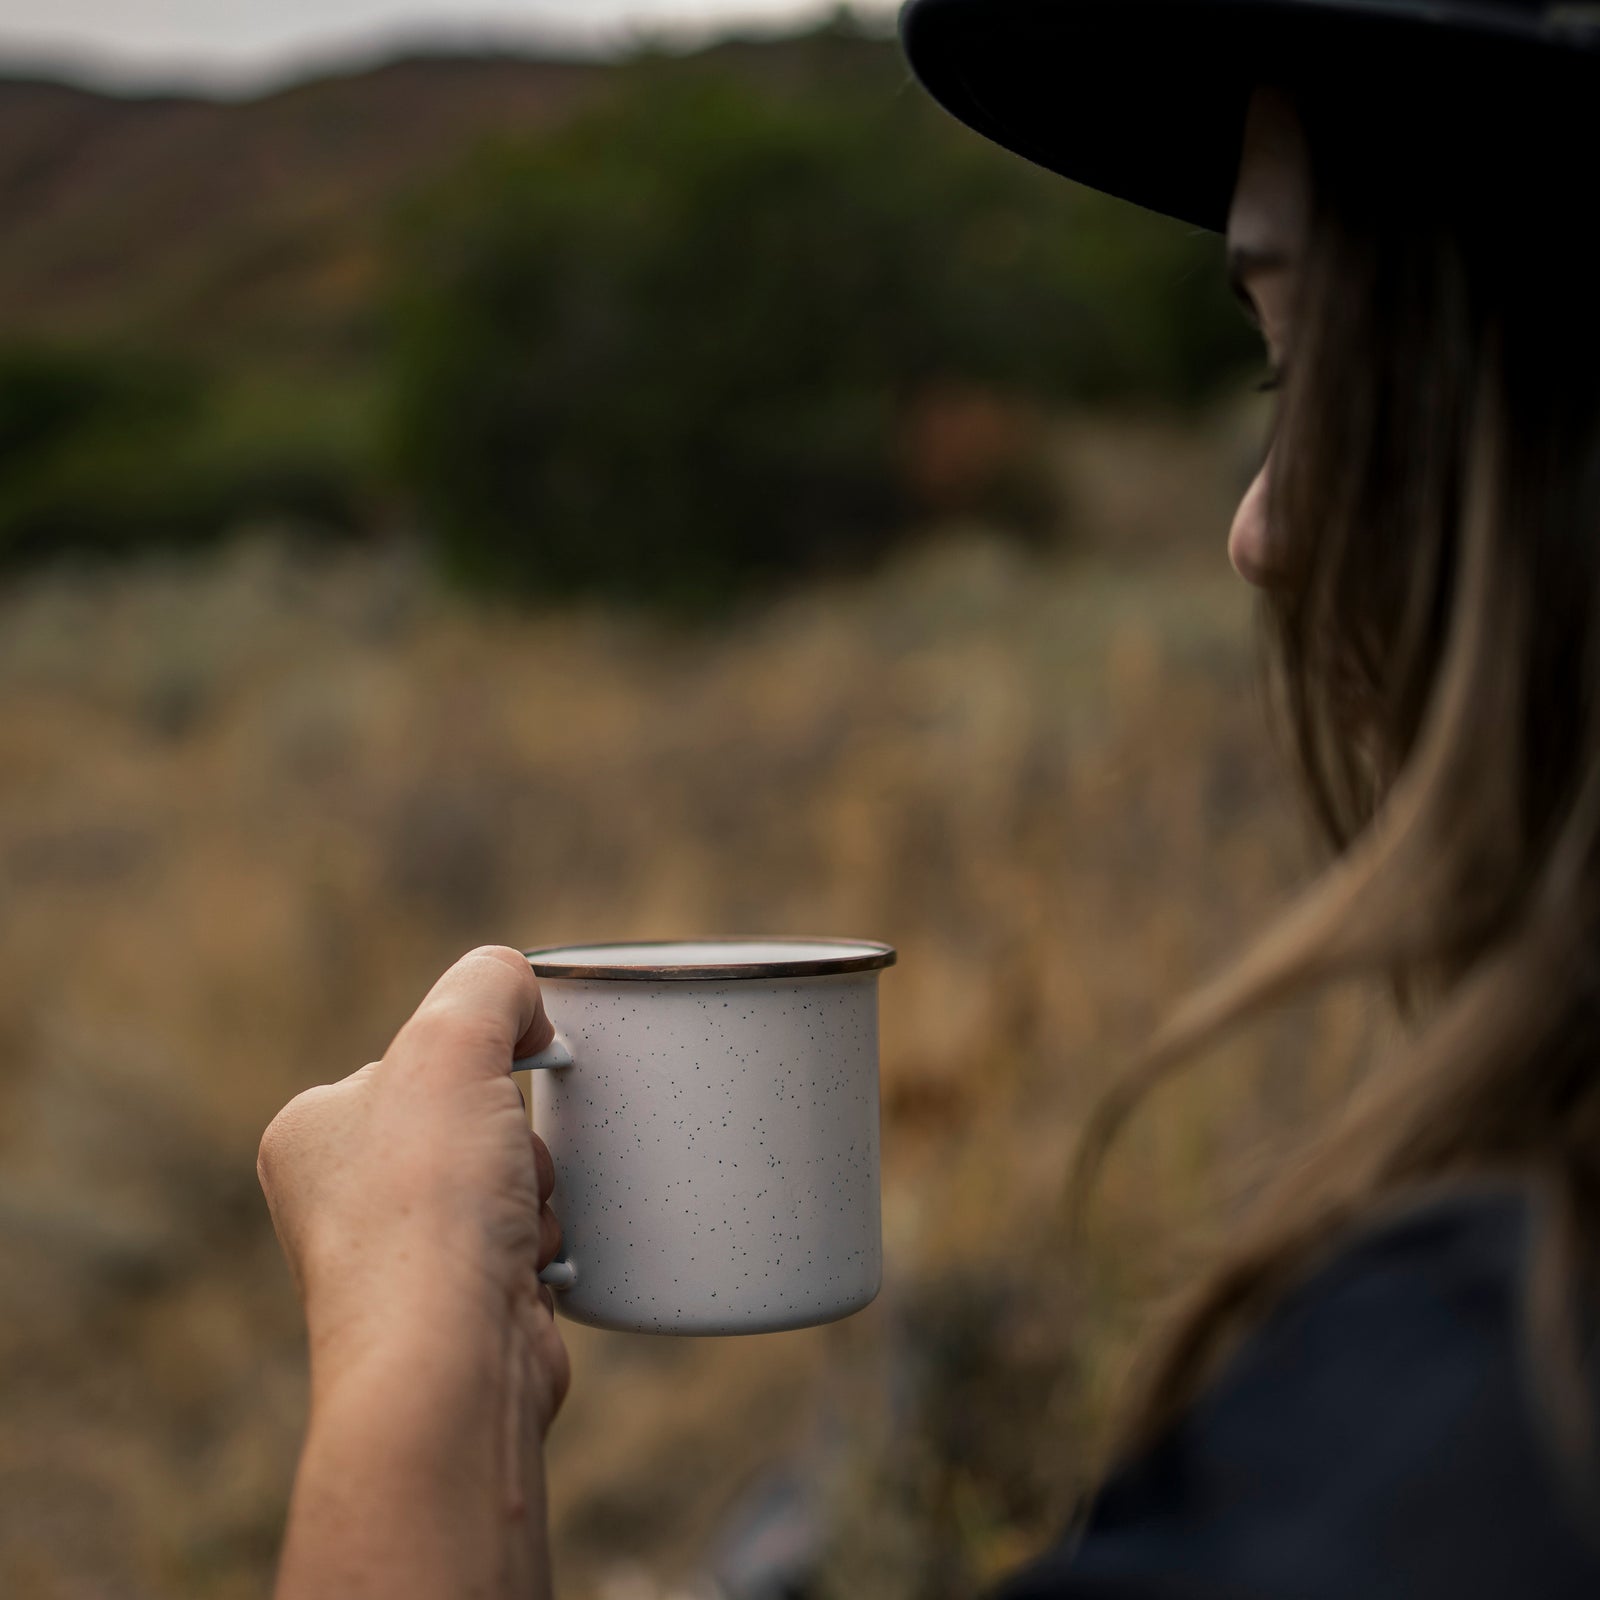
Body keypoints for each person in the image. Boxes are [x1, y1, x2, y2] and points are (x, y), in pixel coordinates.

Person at [255, 0, 1600, 1595]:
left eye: (1320, 370)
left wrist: (406, 1372)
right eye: (1271, 381)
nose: (1261, 533)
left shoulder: (1476, 1409)